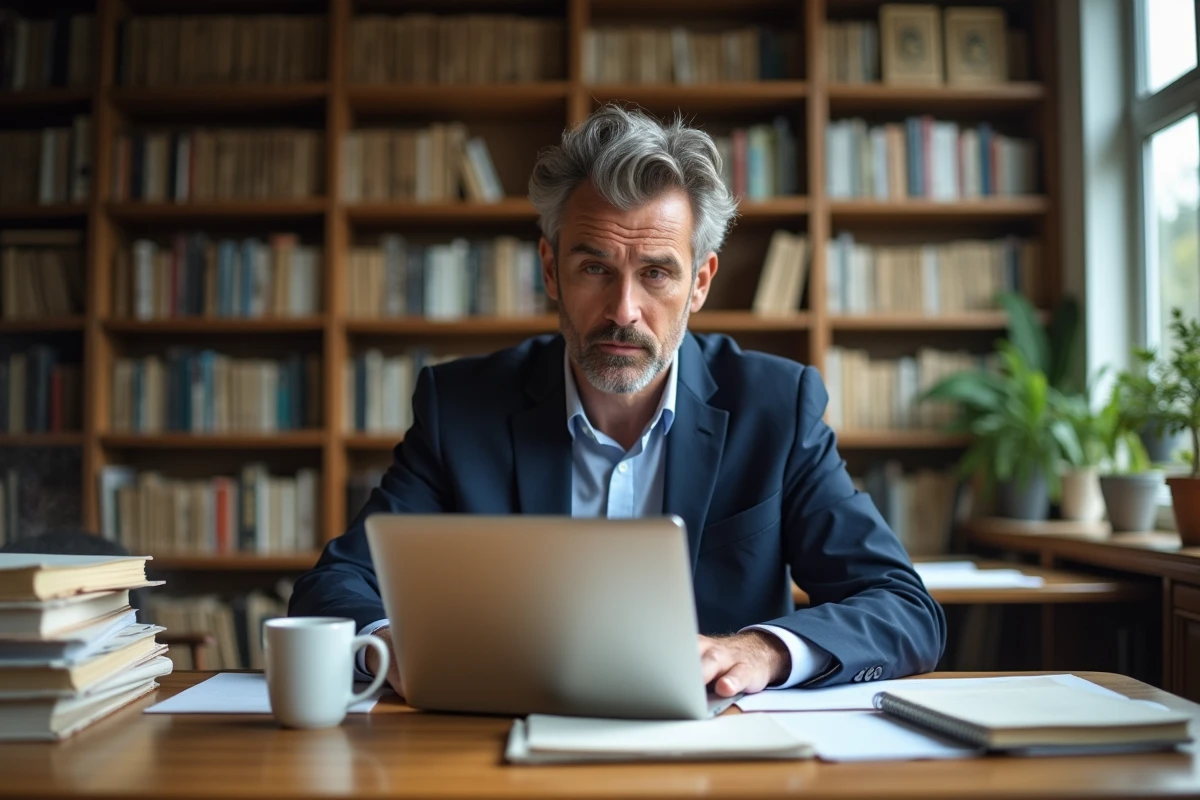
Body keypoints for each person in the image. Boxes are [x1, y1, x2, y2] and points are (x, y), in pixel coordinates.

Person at [289, 104, 945, 699]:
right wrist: (389, 640)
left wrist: (762, 649)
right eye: (594, 268)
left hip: (719, 756)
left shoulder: (774, 408)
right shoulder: (460, 407)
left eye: (656, 273)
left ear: (700, 283)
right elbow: (333, 587)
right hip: (494, 748)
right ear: (550, 270)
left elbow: (900, 606)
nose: (623, 311)